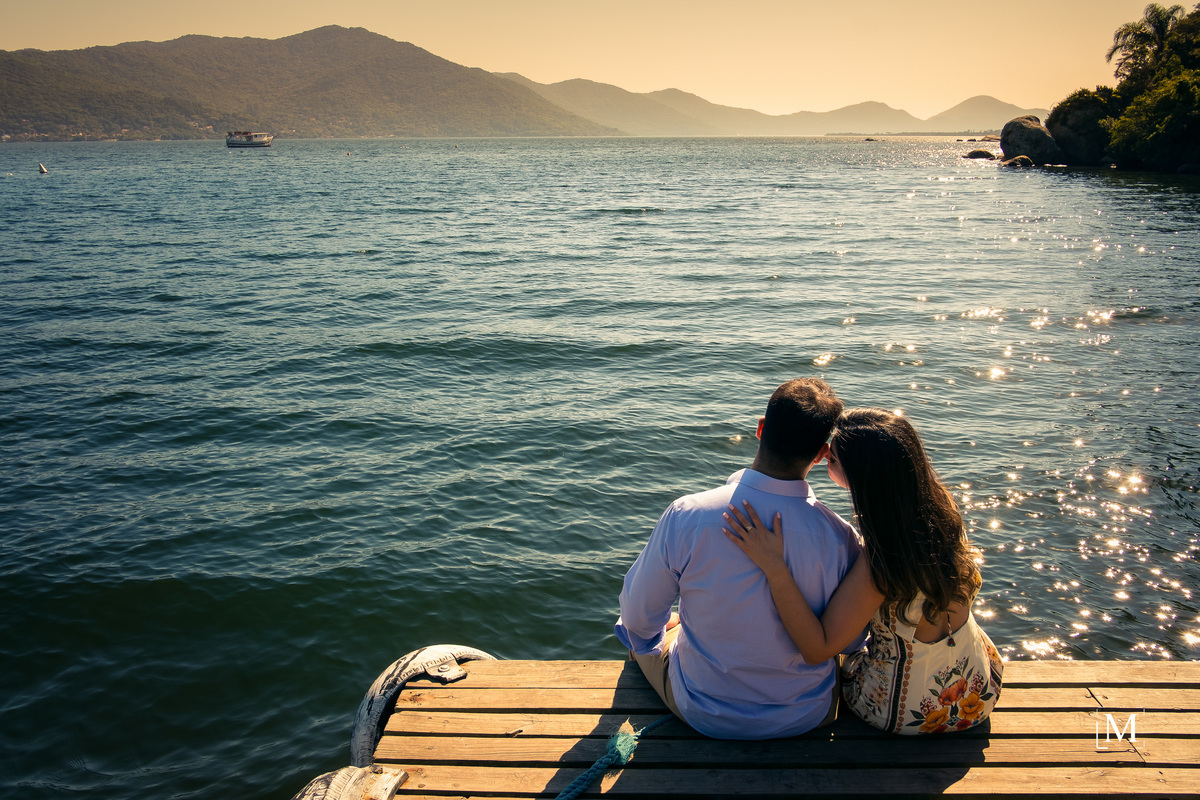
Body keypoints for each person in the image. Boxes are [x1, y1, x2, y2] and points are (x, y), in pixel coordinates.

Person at [723, 408, 1004, 734]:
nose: (826, 454)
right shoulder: (941, 513)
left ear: (862, 478)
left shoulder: (882, 562)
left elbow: (818, 649)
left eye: (833, 459)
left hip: (909, 712)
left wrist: (775, 567)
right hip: (979, 690)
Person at [614, 378, 864, 739]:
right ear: (822, 453)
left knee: (641, 636)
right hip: (807, 714)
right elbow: (851, 641)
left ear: (761, 430)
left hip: (704, 711)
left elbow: (638, 620)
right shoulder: (841, 537)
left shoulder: (688, 514)